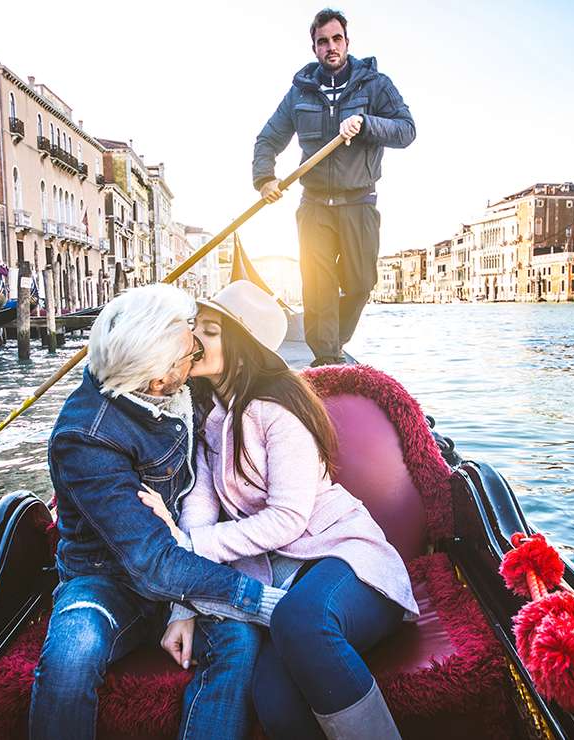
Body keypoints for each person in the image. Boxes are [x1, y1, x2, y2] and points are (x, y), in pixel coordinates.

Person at [141, 280, 418, 739]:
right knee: (271, 690)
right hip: (290, 580)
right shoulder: (213, 419)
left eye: (209, 331)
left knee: (298, 618)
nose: (193, 341)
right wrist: (180, 606)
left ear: (242, 344)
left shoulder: (278, 413)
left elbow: (287, 518)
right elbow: (199, 508)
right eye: (196, 328)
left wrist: (189, 544)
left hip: (349, 561)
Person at [29, 284, 289, 740]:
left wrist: (184, 606)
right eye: (187, 353)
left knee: (238, 645)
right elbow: (151, 561)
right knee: (73, 652)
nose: (195, 353)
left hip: (188, 561)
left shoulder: (185, 388)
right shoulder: (84, 437)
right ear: (157, 381)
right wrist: (260, 602)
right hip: (109, 580)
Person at [253, 8, 415, 367]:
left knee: (360, 283)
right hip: (314, 206)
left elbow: (407, 130)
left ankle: (332, 341)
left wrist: (366, 122)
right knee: (319, 289)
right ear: (314, 48)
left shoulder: (375, 85)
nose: (331, 47)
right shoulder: (300, 93)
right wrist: (265, 179)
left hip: (359, 201)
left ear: (347, 42)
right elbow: (267, 140)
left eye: (336, 39)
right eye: (322, 41)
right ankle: (326, 360)